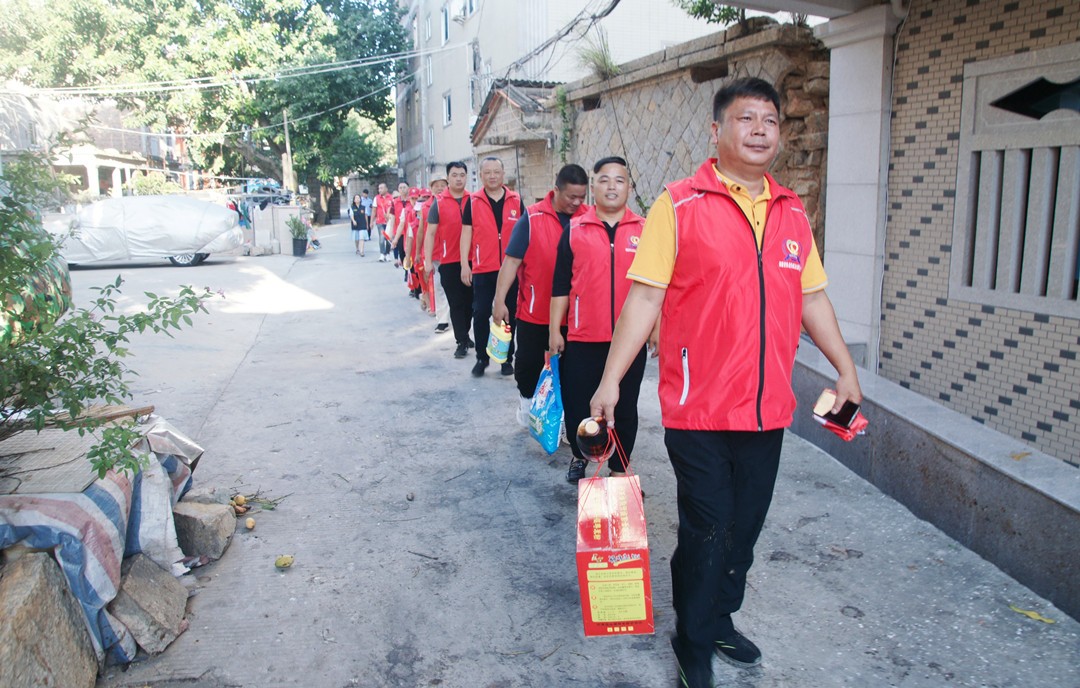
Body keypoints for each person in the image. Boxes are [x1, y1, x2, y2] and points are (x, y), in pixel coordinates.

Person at [589, 77, 863, 687]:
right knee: (708, 526)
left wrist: (845, 369)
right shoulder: (678, 205)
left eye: (771, 120)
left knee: (745, 528)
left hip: (767, 409)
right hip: (698, 407)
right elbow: (644, 298)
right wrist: (610, 382)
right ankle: (691, 636)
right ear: (718, 132)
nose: (761, 129)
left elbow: (811, 296)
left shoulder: (791, 212)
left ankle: (718, 617)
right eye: (747, 119)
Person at [549, 157, 646, 483]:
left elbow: (656, 288)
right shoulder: (574, 230)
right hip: (583, 337)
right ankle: (580, 456)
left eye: (619, 180)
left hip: (630, 340)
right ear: (594, 187)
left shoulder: (644, 231)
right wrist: (554, 330)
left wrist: (657, 328)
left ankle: (619, 470)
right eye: (604, 180)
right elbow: (561, 285)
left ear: (629, 187)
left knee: (626, 409)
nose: (612, 186)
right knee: (580, 405)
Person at [492, 164, 589, 426]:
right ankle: (527, 406)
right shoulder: (532, 219)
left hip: (577, 317)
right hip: (535, 313)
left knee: (572, 372)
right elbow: (511, 262)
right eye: (571, 196)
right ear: (556, 190)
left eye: (582, 197)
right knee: (528, 365)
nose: (577, 203)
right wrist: (499, 300)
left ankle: (567, 419)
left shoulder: (589, 218)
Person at [460, 157, 526, 377]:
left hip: (510, 269)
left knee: (510, 315)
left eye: (496, 172)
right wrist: (464, 264)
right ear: (481, 175)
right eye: (487, 172)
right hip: (483, 268)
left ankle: (506, 358)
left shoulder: (516, 200)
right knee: (480, 313)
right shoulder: (473, 201)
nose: (492, 176)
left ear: (503, 173)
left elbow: (526, 233)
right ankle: (482, 357)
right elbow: (466, 234)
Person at [424, 162, 474, 359]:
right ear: (448, 178)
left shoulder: (474, 200)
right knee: (456, 302)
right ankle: (461, 340)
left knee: (471, 303)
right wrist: (428, 261)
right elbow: (430, 234)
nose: (459, 179)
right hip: (449, 261)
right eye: (454, 175)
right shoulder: (439, 202)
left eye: (462, 175)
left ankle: (465, 332)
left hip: (473, 260)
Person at [419, 177, 450, 330]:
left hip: (452, 253)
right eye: (436, 186)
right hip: (435, 254)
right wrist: (423, 255)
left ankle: (455, 316)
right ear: (431, 188)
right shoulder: (425, 207)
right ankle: (443, 319)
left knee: (453, 287)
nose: (439, 188)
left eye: (442, 185)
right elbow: (421, 232)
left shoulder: (453, 204)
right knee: (438, 286)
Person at [373, 183, 394, 262]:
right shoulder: (377, 198)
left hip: (389, 222)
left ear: (386, 189)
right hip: (380, 222)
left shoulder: (391, 198)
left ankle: (387, 253)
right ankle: (382, 253)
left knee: (388, 238)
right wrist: (371, 221)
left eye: (381, 188)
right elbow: (374, 210)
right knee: (382, 238)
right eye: (379, 188)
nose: (380, 190)